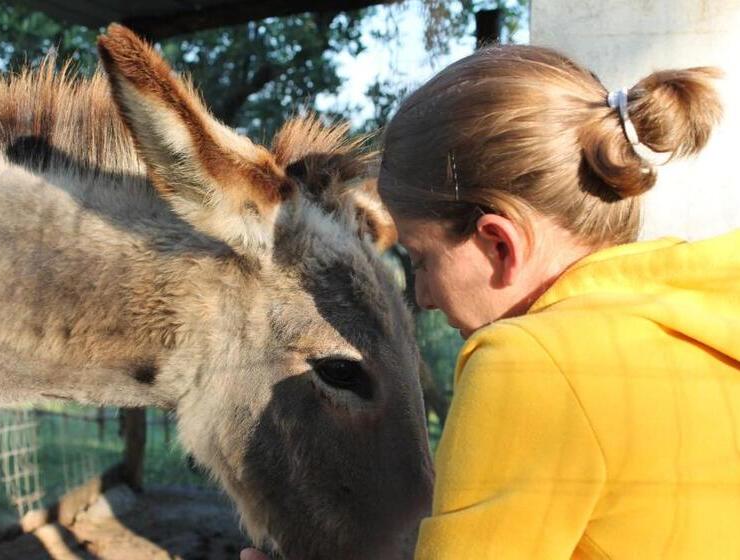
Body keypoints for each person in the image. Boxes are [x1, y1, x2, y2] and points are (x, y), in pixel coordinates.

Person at [242, 44, 740, 559]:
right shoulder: (703, 317)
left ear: (499, 245)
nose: (424, 296)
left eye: (421, 259)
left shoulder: (529, 365)